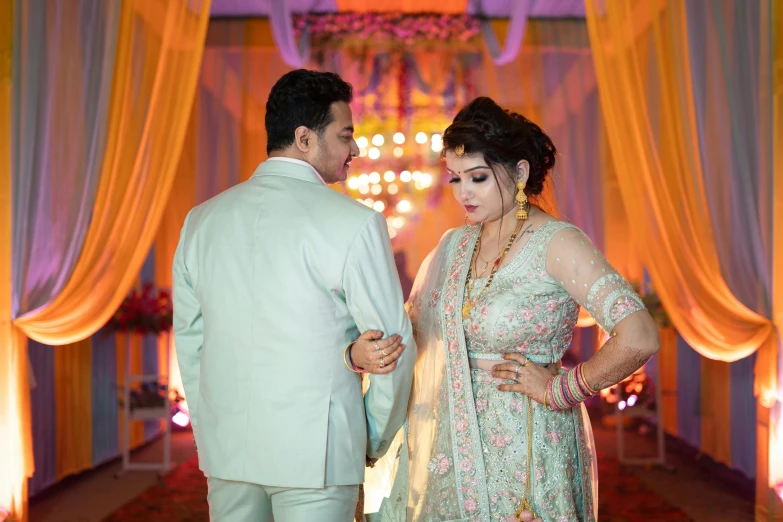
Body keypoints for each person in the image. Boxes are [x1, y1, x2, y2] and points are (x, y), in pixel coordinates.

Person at [369, 97, 660, 522]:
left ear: (520, 172)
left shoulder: (558, 243)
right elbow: (414, 333)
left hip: (527, 445)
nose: (464, 192)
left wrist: (562, 389)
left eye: (479, 177)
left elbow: (639, 336)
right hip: (449, 442)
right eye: (455, 179)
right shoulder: (454, 245)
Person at [173, 69, 416, 522]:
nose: (356, 150)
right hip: (318, 455)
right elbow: (392, 348)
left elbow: (191, 344)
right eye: (346, 136)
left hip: (228, 451)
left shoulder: (201, 221)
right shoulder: (356, 222)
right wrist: (371, 437)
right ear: (305, 138)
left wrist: (210, 432)